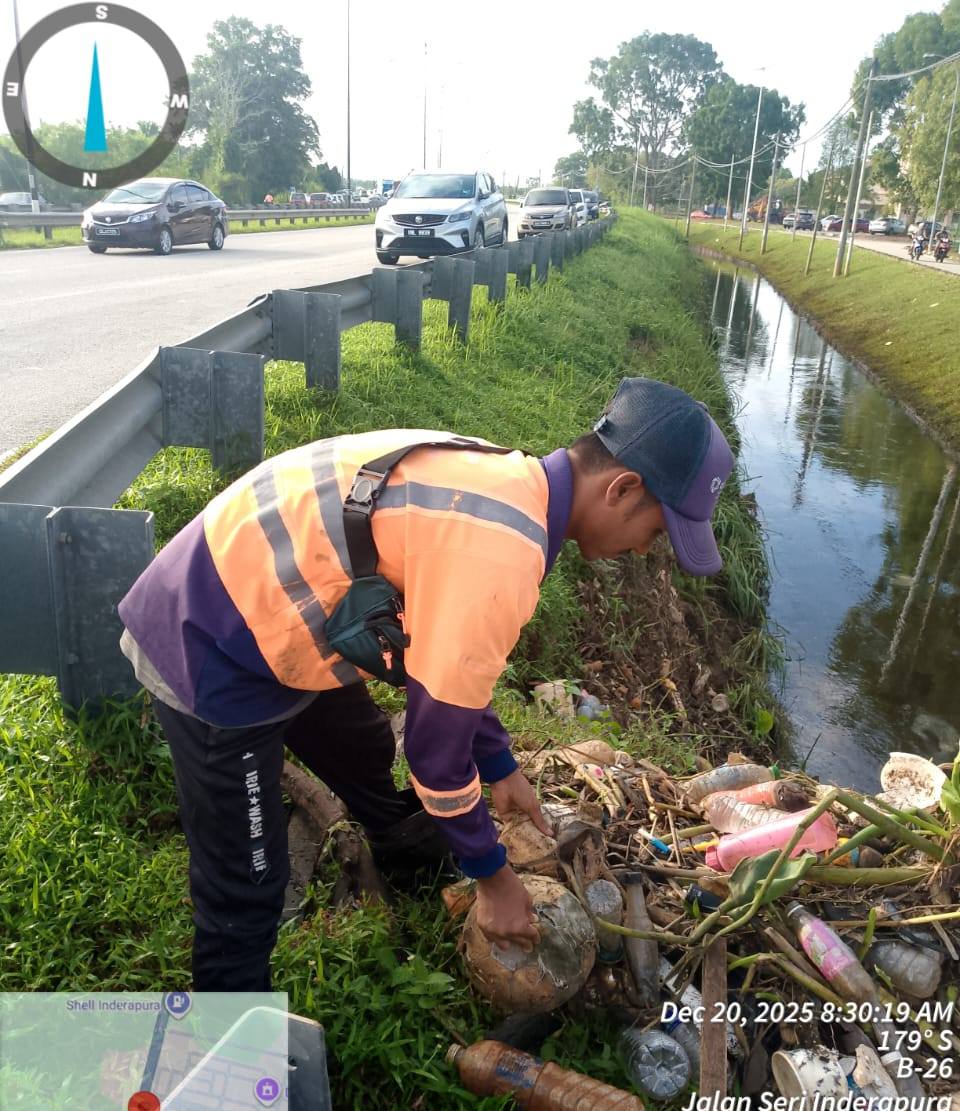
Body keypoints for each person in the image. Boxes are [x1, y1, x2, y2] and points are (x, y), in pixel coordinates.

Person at [118, 378, 734, 991]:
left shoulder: (510, 480)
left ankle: (408, 858)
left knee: (362, 748)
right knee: (248, 884)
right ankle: (227, 1034)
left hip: (275, 601)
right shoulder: (501, 553)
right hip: (210, 638)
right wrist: (495, 879)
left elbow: (446, 667)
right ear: (622, 488)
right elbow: (435, 752)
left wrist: (500, 768)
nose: (644, 550)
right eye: (657, 532)